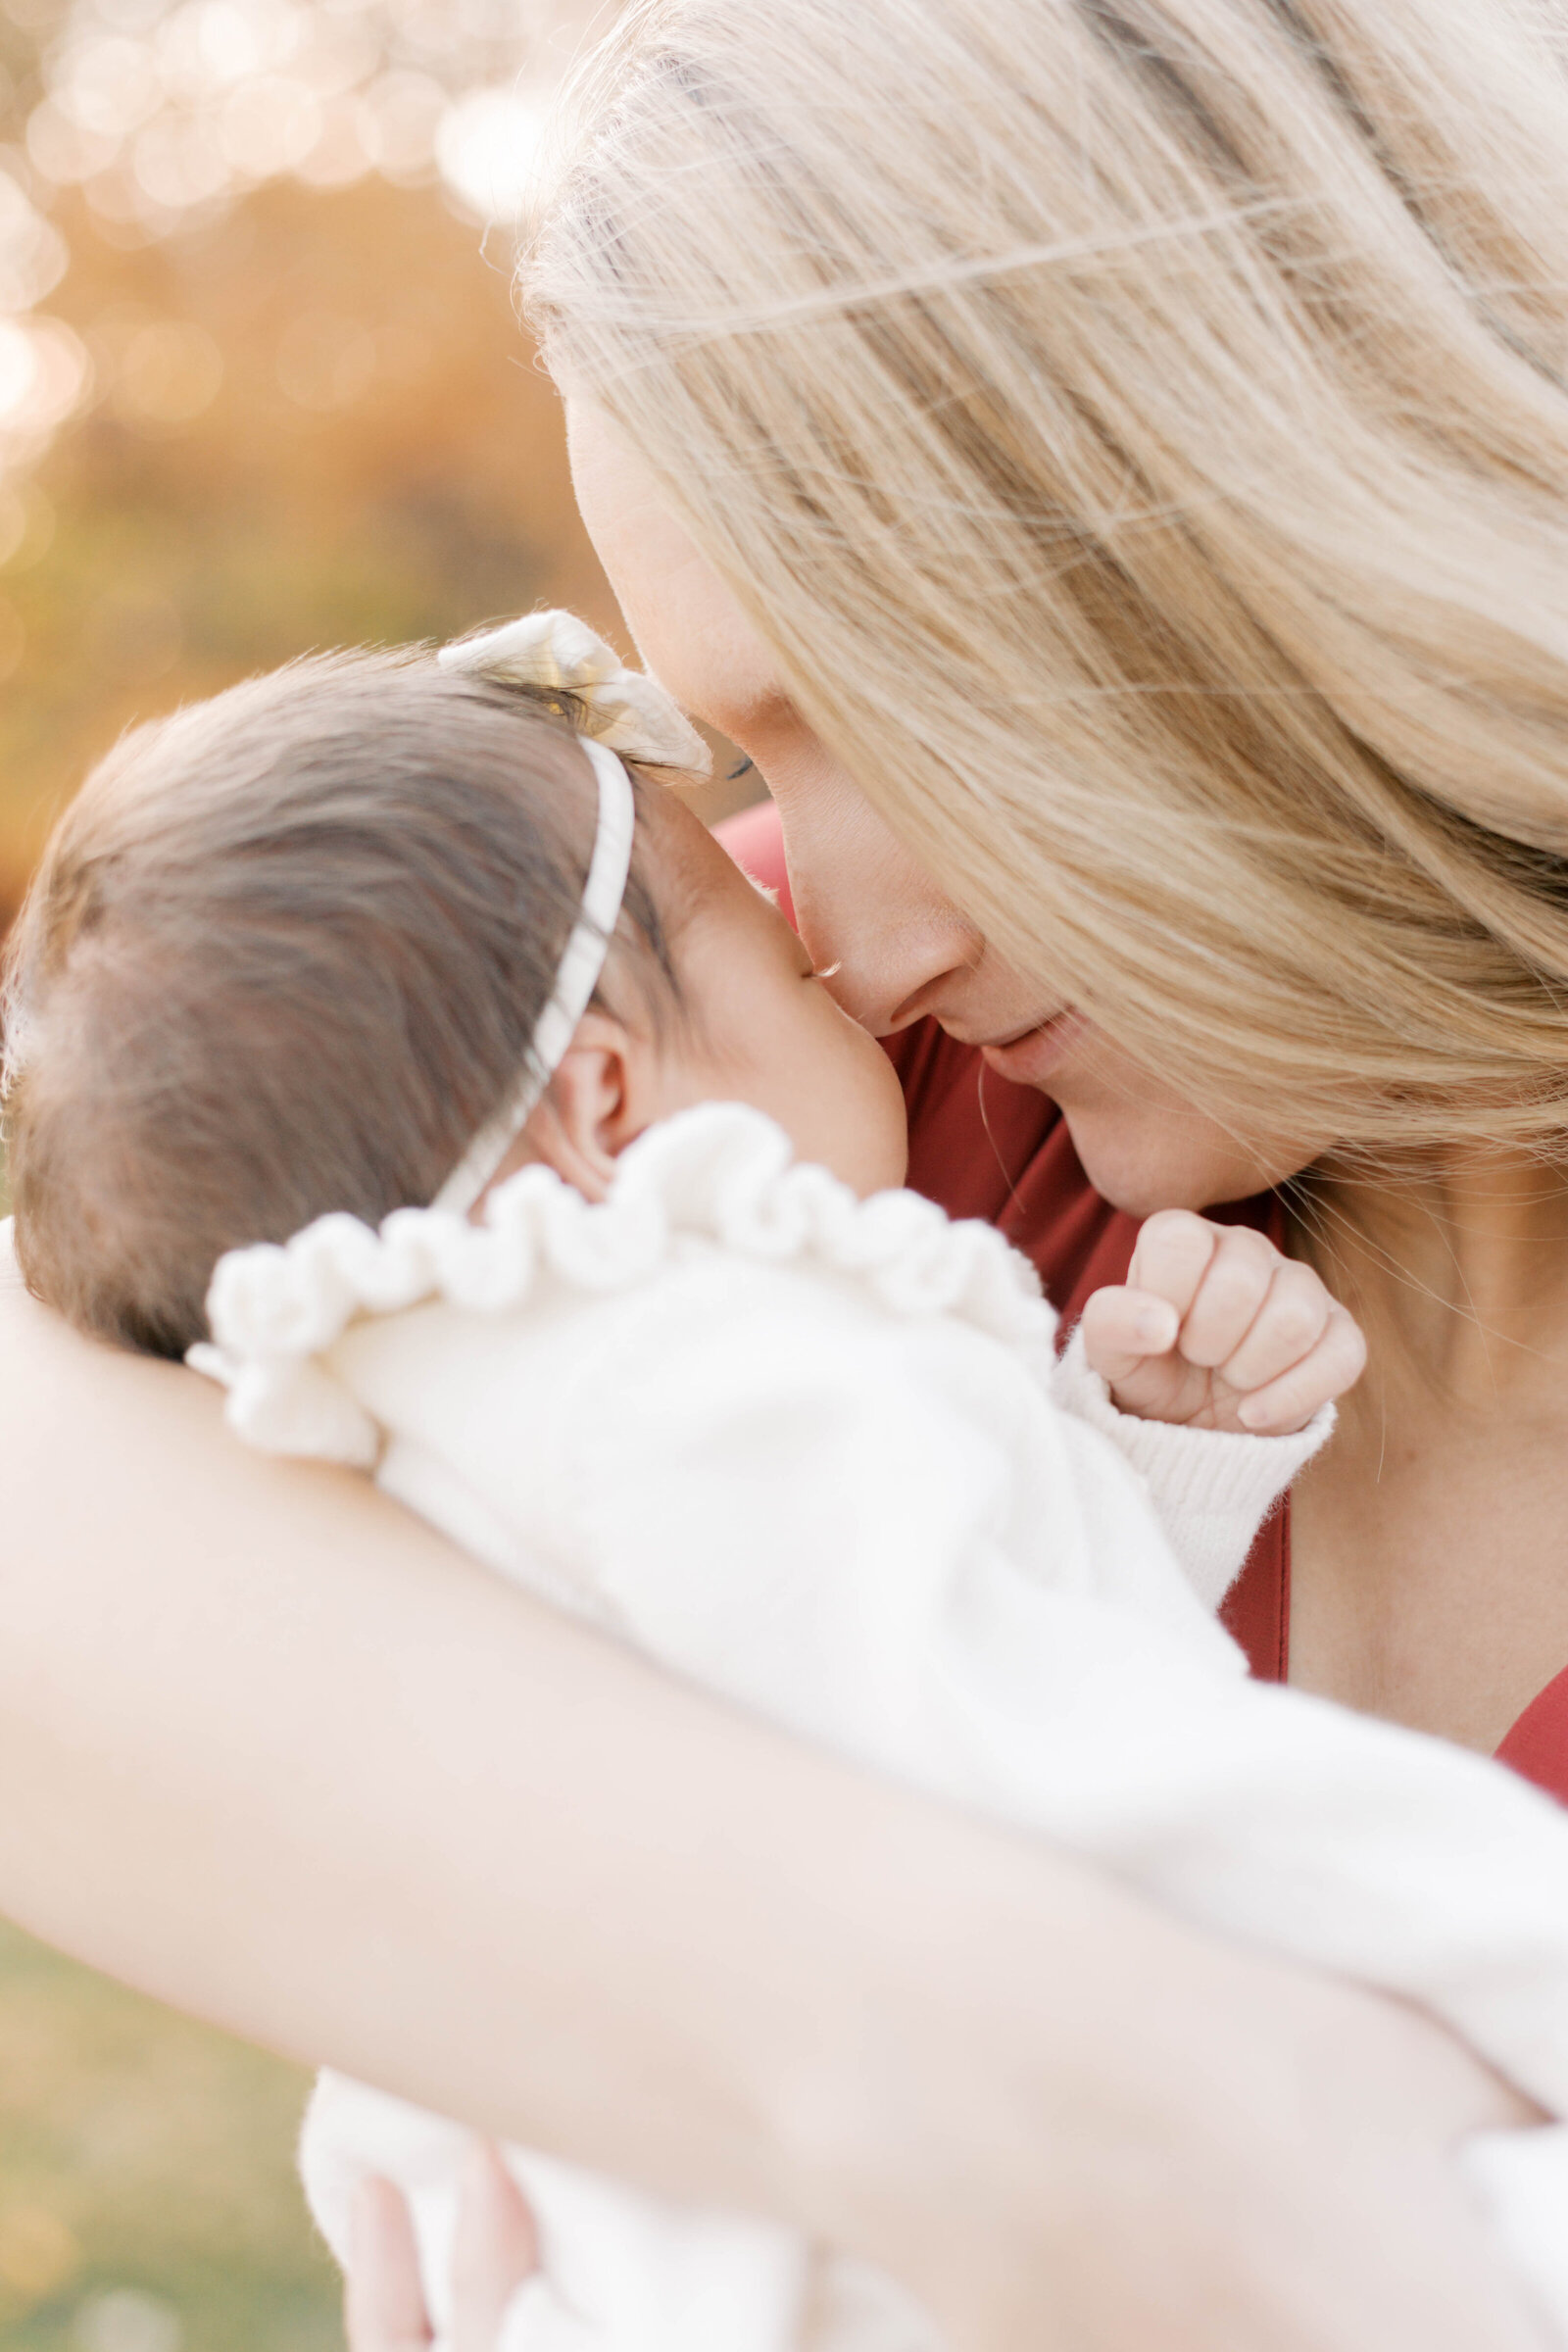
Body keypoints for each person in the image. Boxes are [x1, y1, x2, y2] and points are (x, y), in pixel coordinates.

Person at [1, 0, 1565, 2342]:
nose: (846, 926)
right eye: (747, 755)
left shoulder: (786, 1080)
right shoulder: (765, 1111)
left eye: (896, 724)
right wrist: (992, 2073)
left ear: (1280, 570)